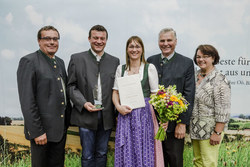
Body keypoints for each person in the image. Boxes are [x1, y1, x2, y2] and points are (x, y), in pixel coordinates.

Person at [17, 25, 71, 167]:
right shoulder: (29, 61)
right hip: (42, 133)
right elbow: (27, 101)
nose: (52, 42)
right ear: (39, 41)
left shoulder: (60, 62)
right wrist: (37, 132)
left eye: (55, 39)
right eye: (47, 38)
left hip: (59, 131)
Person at [67, 25, 119, 167]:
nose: (99, 41)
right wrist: (83, 103)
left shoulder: (115, 61)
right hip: (85, 115)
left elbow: (117, 89)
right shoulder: (76, 58)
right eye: (95, 38)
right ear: (89, 39)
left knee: (102, 153)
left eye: (102, 38)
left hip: (107, 116)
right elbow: (71, 86)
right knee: (88, 155)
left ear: (106, 40)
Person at [112, 36, 164, 167]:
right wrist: (118, 107)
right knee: (127, 148)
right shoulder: (121, 69)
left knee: (144, 147)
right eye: (131, 46)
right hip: (125, 115)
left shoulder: (149, 68)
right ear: (127, 49)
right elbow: (115, 93)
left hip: (144, 114)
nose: (134, 49)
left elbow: (155, 94)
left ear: (142, 49)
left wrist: (161, 117)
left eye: (137, 46)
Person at [147, 27, 195, 167]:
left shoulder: (186, 63)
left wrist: (182, 123)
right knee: (155, 162)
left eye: (169, 40)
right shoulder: (151, 61)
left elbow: (189, 94)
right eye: (162, 40)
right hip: (153, 124)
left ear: (176, 41)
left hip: (175, 126)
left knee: (175, 162)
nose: (165, 43)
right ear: (158, 42)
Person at [190, 44, 231, 167]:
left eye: (205, 56)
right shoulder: (193, 76)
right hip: (195, 128)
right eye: (198, 57)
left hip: (211, 129)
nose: (201, 59)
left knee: (209, 163)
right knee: (197, 161)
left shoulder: (220, 80)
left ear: (213, 58)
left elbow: (223, 109)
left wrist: (217, 133)